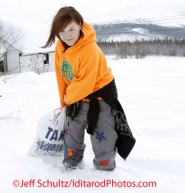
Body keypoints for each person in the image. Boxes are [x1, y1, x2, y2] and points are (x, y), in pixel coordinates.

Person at [42, 6, 135, 171]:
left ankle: (104, 171)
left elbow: (84, 83)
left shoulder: (89, 49)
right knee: (72, 132)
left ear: (80, 24)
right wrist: (64, 102)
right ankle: (71, 164)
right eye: (62, 31)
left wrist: (68, 98)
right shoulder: (60, 46)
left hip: (101, 96)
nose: (67, 35)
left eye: (71, 29)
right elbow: (61, 75)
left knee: (103, 137)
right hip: (77, 95)